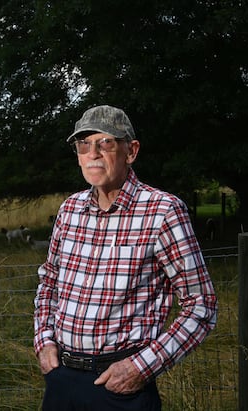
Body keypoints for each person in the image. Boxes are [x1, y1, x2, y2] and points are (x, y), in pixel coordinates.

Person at [33, 105, 217, 410]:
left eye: (105, 143)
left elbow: (201, 305)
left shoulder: (162, 211)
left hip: (120, 386)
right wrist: (44, 342)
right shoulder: (69, 209)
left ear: (130, 151)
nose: (92, 153)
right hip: (61, 379)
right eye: (83, 145)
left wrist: (140, 368)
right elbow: (48, 282)